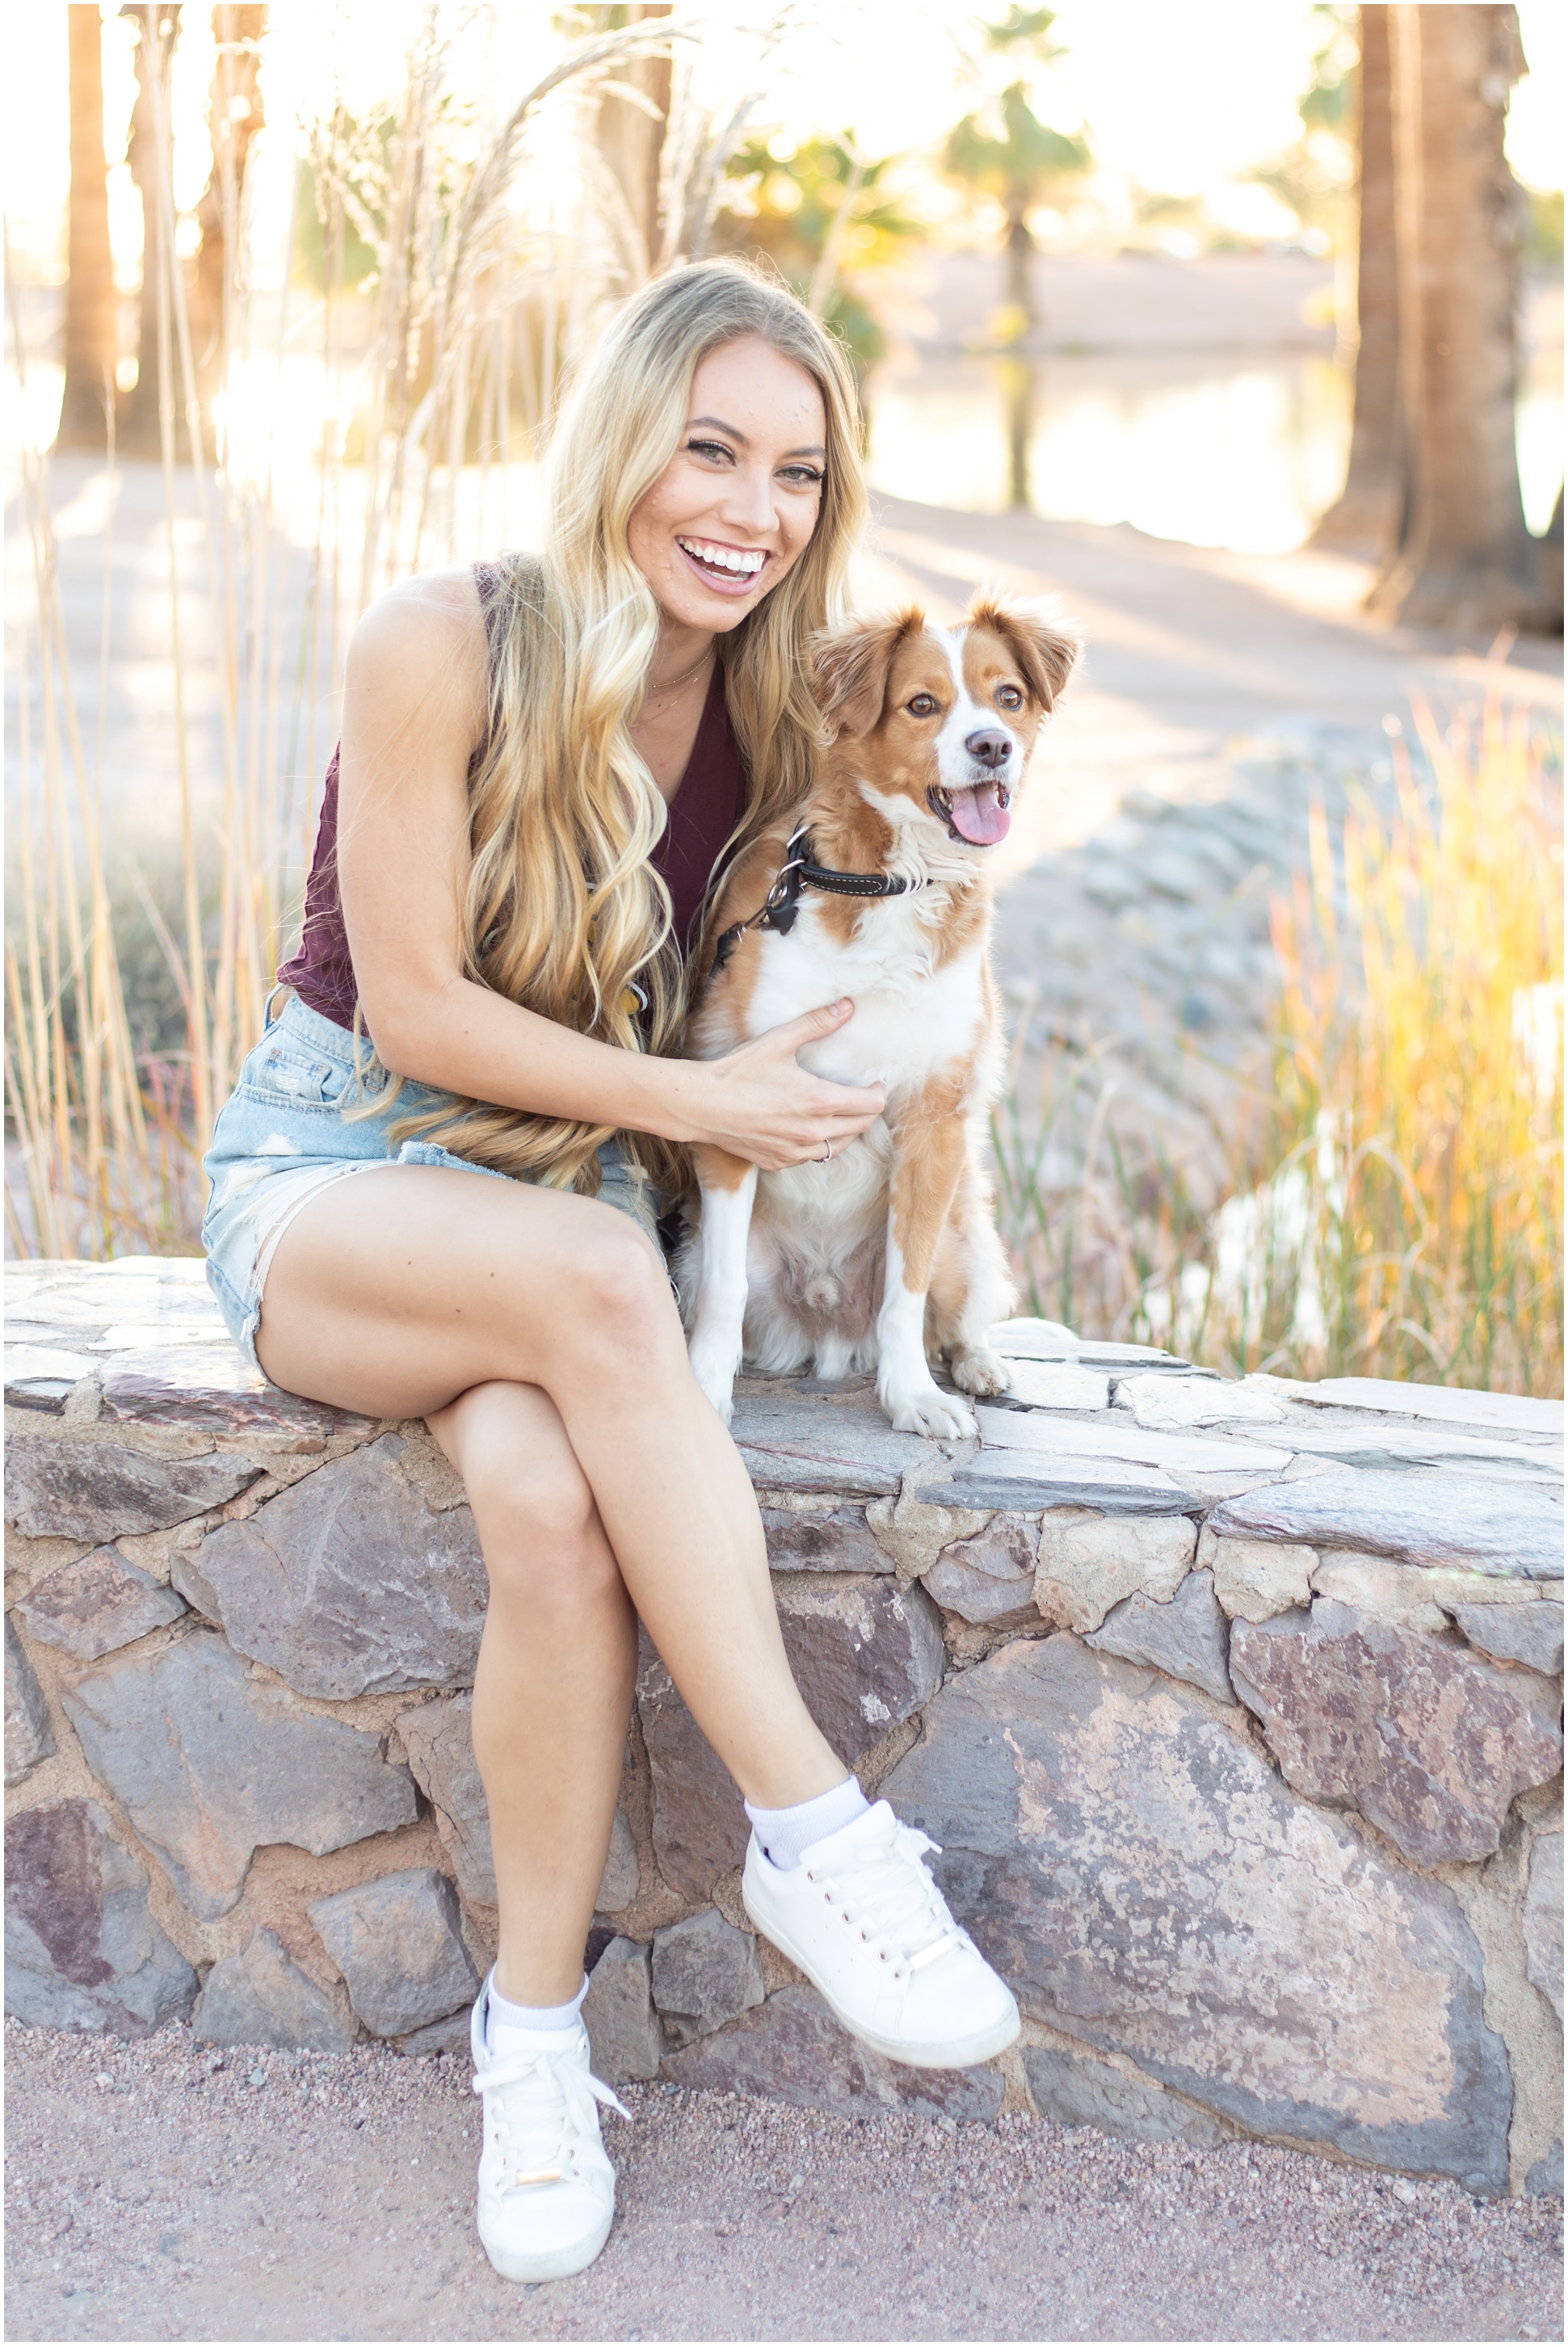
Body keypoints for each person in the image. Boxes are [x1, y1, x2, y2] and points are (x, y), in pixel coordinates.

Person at [201, 259, 1019, 2286]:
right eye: (710, 446)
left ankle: (533, 2048)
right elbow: (407, 1005)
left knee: (555, 1511)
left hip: (559, 1222)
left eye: (798, 473)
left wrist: (917, 1036)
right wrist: (694, 1100)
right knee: (590, 1264)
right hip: (346, 1181)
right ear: (621, 435)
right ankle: (820, 1839)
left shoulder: (771, 700)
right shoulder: (442, 641)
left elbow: (922, 855)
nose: (750, 507)